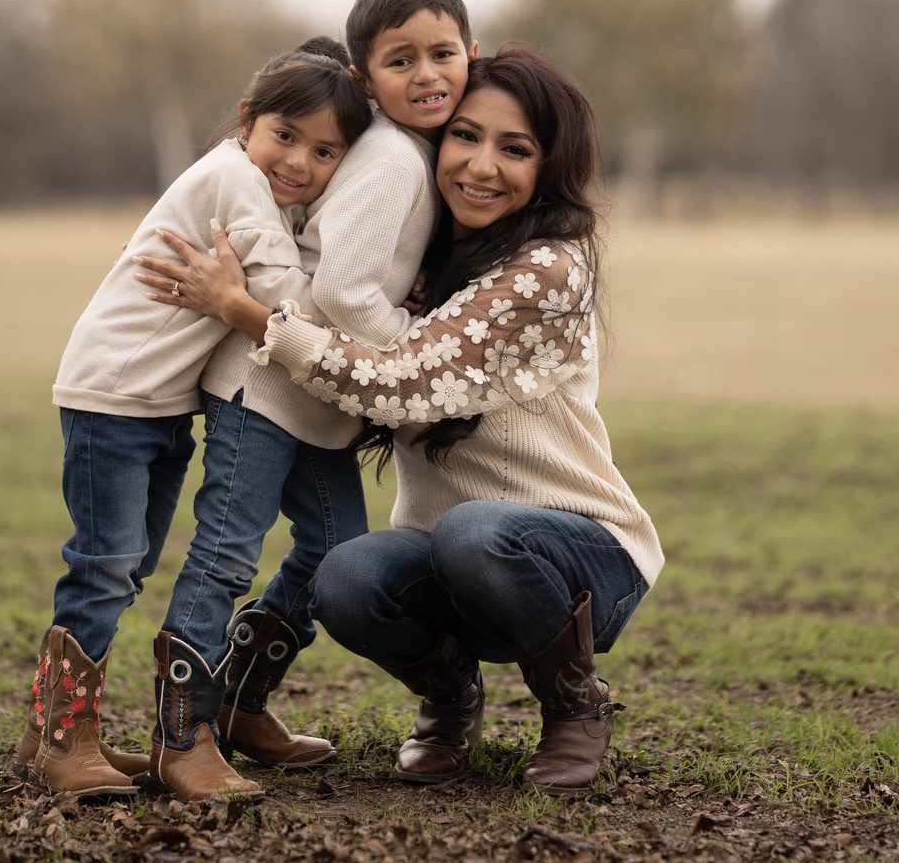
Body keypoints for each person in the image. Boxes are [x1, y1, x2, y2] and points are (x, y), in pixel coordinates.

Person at [135, 44, 663, 797]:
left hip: (582, 560)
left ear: (549, 167)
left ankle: (577, 707)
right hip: (459, 567)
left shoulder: (548, 269)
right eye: (466, 136)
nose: (481, 165)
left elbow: (397, 384)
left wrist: (249, 313)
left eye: (514, 149)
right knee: (346, 572)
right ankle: (451, 700)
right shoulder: (432, 252)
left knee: (476, 529)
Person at [14, 39, 371, 801]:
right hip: (113, 395)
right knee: (106, 562)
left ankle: (64, 733)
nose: (299, 162)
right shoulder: (236, 179)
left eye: (325, 151)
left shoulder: (256, 185)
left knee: (130, 562)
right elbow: (286, 300)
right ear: (248, 122)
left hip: (158, 402)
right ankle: (59, 739)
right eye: (287, 135)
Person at [154, 0, 479, 799]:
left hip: (313, 401)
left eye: (443, 54)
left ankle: (236, 702)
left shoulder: (395, 147)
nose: (428, 73)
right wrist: (420, 350)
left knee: (334, 551)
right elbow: (338, 292)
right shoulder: (395, 158)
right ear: (367, 77)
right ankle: (181, 737)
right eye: (401, 59)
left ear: (471, 56)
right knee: (226, 554)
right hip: (263, 388)